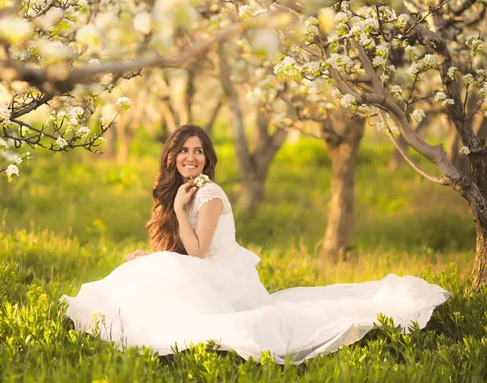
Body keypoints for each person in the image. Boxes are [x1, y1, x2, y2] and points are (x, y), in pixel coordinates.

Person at [61, 125, 449, 364]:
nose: (191, 157)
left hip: (229, 278)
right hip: (205, 268)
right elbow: (186, 253)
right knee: (146, 267)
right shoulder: (181, 191)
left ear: (207, 158)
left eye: (198, 151)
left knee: (165, 274)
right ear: (172, 156)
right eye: (184, 150)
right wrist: (155, 253)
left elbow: (196, 253)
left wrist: (180, 212)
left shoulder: (208, 195)